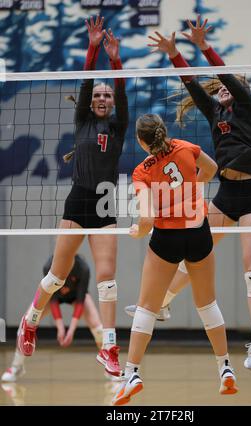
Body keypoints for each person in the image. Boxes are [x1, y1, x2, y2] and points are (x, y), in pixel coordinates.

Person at [126, 16, 251, 372]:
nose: (224, 90)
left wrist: (204, 46)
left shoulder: (247, 108)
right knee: (193, 251)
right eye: (223, 88)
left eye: (231, 86)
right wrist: (176, 53)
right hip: (226, 194)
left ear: (239, 90)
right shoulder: (214, 113)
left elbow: (223, 74)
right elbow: (192, 84)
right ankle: (162, 304)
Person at [15, 16, 128, 377]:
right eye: (97, 94)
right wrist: (93, 48)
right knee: (57, 277)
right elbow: (84, 81)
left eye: (106, 95)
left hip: (106, 200)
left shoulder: (119, 124)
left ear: (112, 103)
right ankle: (30, 322)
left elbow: (121, 89)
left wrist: (115, 59)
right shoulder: (82, 119)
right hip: (79, 198)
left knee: (108, 279)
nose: (101, 97)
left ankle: (109, 348)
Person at [112, 113, 238, 406]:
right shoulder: (186, 147)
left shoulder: (142, 172)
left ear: (143, 143)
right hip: (198, 231)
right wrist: (191, 187)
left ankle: (132, 374)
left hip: (167, 238)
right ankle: (225, 368)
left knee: (146, 307)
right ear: (164, 131)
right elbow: (212, 169)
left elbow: (147, 218)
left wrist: (136, 231)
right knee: (207, 304)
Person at [1, 254, 103, 382]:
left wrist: (71, 331)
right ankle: (16, 367)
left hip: (76, 297)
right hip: (53, 297)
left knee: (99, 329)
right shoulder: (49, 265)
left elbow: (81, 300)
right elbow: (53, 298)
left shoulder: (83, 268)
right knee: (27, 322)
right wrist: (60, 328)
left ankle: (108, 367)